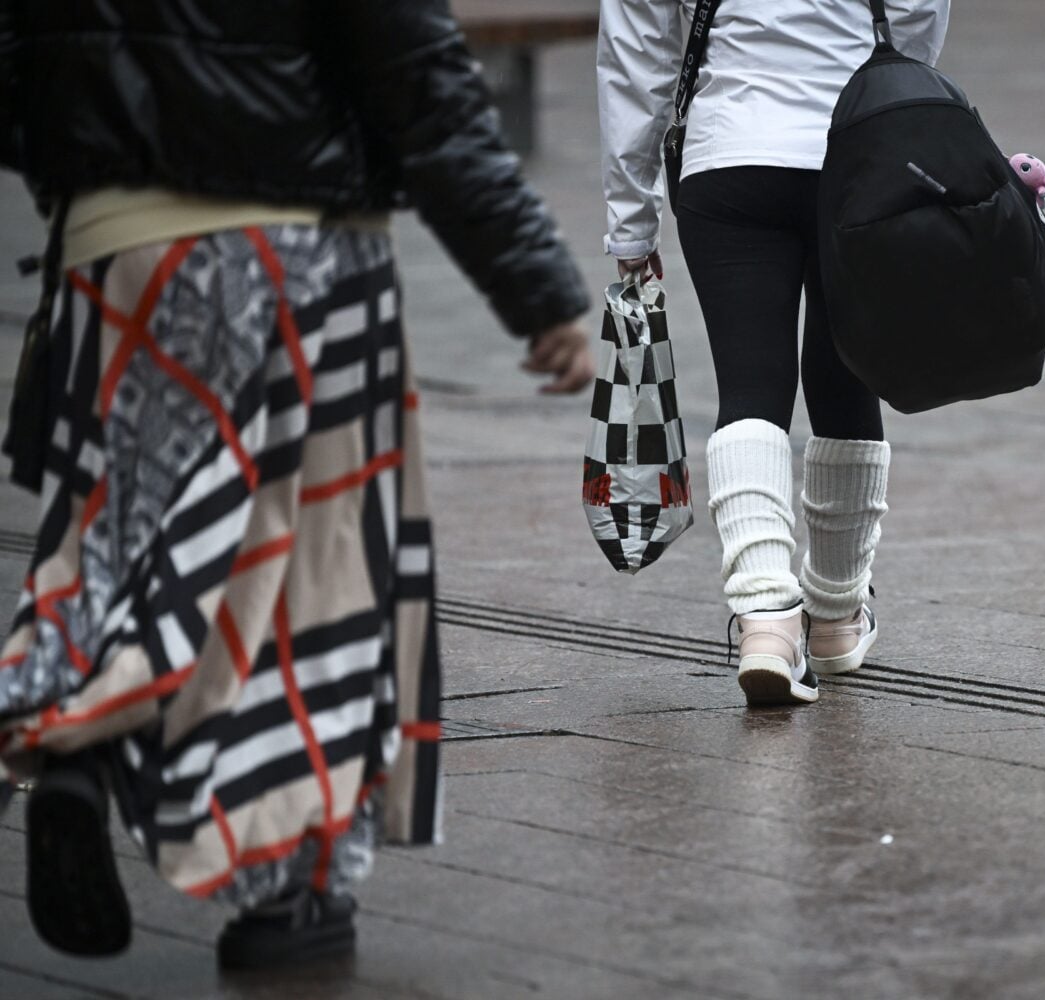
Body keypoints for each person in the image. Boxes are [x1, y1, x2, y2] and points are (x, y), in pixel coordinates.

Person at [0, 0, 593, 967]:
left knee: (118, 538)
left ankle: (72, 731)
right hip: (296, 252)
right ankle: (291, 892)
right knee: (315, 575)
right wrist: (538, 289)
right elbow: (419, 79)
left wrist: (91, 159)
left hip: (110, 252)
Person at [598, 0, 950, 707]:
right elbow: (916, 13)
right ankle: (837, 617)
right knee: (850, 372)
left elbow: (636, 53)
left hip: (728, 154)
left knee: (749, 386)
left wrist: (631, 220)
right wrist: (888, 99)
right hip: (858, 150)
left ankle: (765, 618)